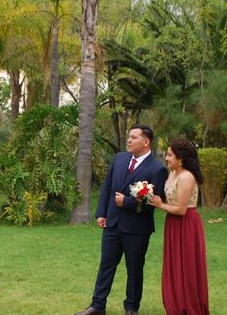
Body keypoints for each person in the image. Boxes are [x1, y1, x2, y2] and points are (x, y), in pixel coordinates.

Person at [76, 123, 168, 315]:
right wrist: (102, 213)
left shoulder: (157, 169)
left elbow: (154, 202)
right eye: (129, 136)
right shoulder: (119, 159)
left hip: (137, 228)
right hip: (113, 224)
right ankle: (97, 305)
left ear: (146, 142)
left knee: (134, 269)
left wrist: (126, 202)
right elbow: (107, 187)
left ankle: (131, 307)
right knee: (106, 266)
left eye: (134, 137)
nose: (129, 140)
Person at [148, 139, 209, 315]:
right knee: (174, 264)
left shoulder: (186, 177)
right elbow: (170, 201)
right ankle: (175, 303)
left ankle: (188, 305)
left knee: (187, 265)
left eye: (169, 155)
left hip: (187, 225)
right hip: (173, 224)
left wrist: (159, 205)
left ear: (180, 158)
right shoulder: (172, 174)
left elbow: (181, 210)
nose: (166, 158)